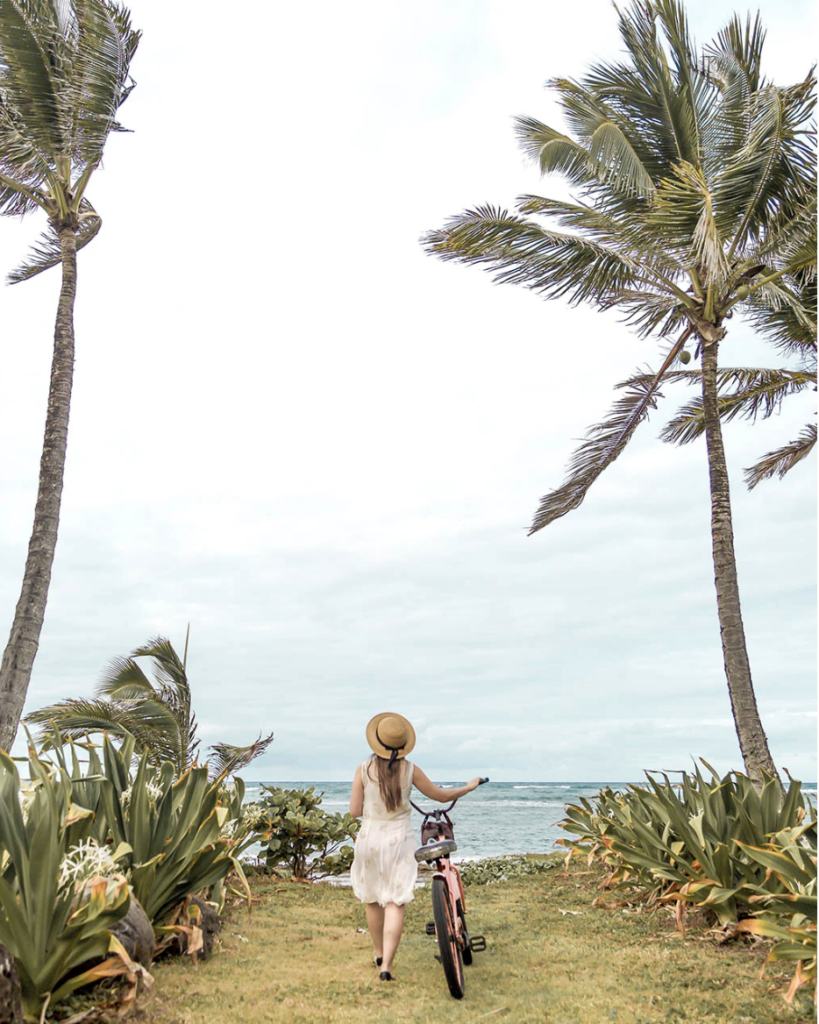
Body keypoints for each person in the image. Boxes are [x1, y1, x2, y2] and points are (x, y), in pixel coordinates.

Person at [349, 711, 483, 982]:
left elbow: (354, 812)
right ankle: (386, 966)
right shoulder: (410, 769)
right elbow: (441, 795)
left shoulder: (363, 769)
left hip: (369, 840)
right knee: (395, 903)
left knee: (373, 899)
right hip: (398, 841)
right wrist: (468, 787)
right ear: (402, 743)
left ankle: (377, 952)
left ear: (377, 741)